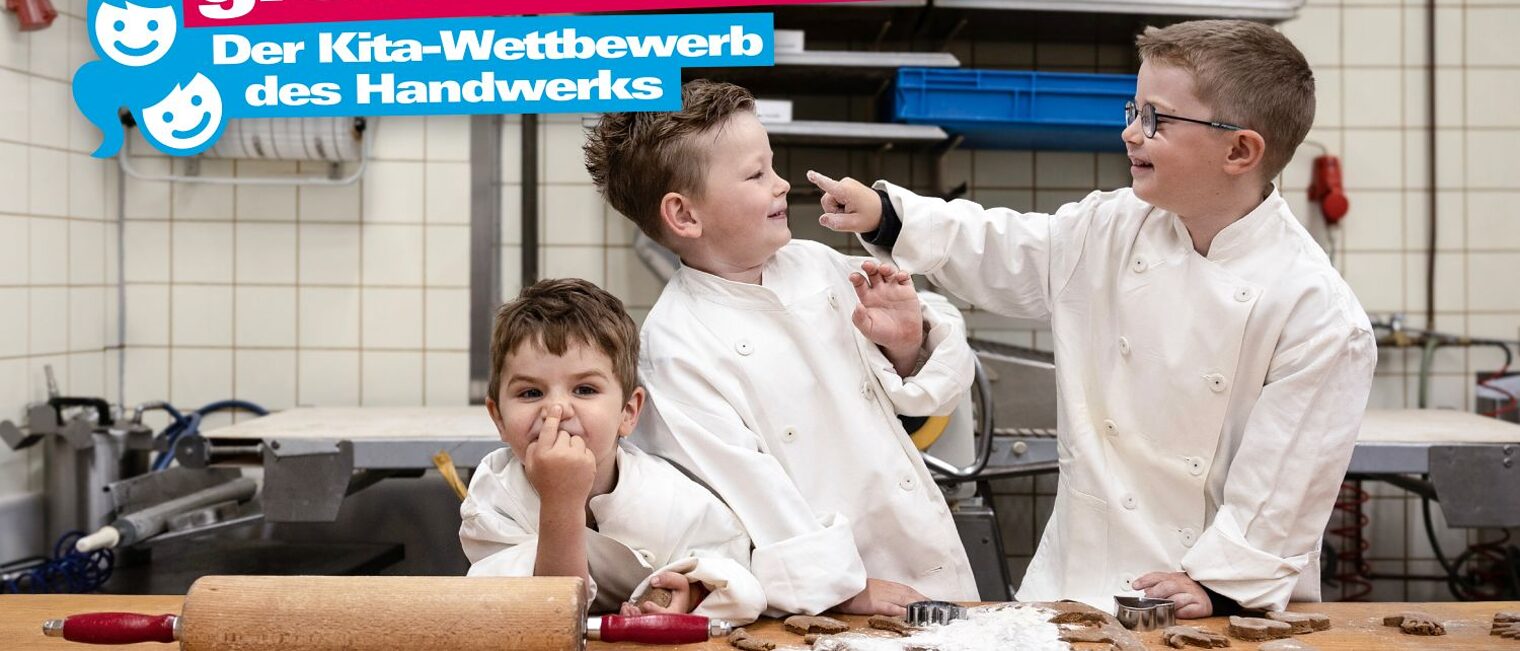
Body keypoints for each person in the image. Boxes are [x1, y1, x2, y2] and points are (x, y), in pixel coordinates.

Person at [808, 20, 1376, 617]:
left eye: (1156, 118)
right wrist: (888, 216)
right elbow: (1008, 248)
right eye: (1133, 108)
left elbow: (1283, 490)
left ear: (1240, 150)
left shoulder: (1316, 313)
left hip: (1210, 599)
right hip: (1070, 584)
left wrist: (1219, 583)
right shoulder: (1113, 225)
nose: (1130, 132)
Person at [584, 79, 981, 616]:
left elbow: (918, 394)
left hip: (922, 558)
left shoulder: (814, 265)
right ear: (684, 216)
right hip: (821, 605)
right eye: (756, 174)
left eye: (772, 166)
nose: (781, 184)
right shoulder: (676, 346)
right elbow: (745, 498)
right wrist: (845, 590)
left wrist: (909, 343)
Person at [459, 278, 765, 623]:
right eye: (531, 393)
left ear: (628, 412)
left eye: (585, 389)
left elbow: (741, 580)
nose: (556, 409)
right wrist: (562, 501)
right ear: (498, 417)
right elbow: (544, 614)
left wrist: (690, 592)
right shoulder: (496, 496)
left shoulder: (670, 498)